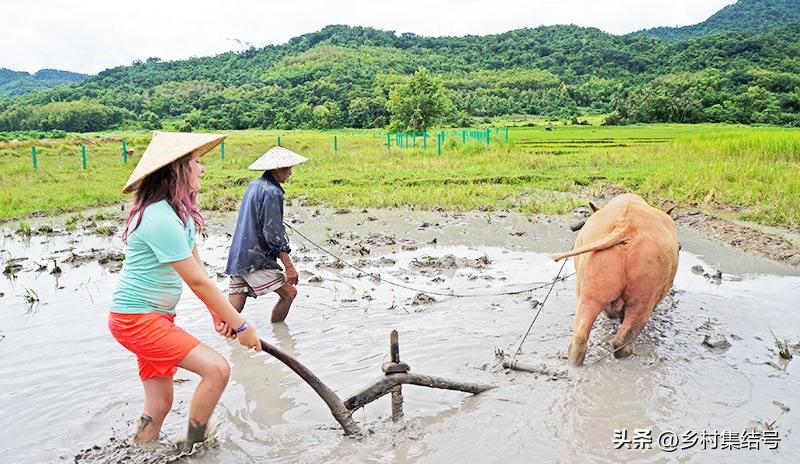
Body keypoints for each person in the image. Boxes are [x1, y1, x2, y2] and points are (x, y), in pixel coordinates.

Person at [108, 131, 262, 451]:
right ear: (177, 169)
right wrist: (241, 324)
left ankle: (138, 450)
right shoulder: (158, 217)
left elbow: (197, 269)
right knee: (217, 369)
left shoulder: (178, 213)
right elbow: (196, 282)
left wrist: (218, 314)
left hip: (154, 318)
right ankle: (194, 449)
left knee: (160, 403)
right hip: (137, 319)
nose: (201, 169)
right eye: (195, 162)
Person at [224, 146, 308, 324]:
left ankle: (224, 342)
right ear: (277, 169)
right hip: (256, 258)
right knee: (289, 294)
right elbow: (273, 233)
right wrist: (289, 266)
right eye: (288, 168)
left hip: (239, 255)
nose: (291, 173)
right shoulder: (272, 192)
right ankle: (280, 338)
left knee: (233, 309)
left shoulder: (254, 186)